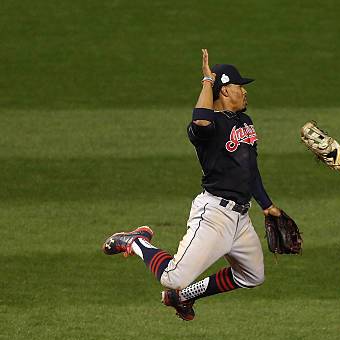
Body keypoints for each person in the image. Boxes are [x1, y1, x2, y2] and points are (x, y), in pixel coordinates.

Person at [102, 49, 283, 321]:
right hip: (214, 216)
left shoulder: (245, 121)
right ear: (224, 91)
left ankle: (184, 297)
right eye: (239, 86)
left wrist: (267, 205)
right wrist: (207, 81)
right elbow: (200, 118)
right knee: (173, 277)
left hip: (241, 218)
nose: (245, 92)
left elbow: (250, 168)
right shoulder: (206, 128)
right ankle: (137, 241)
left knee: (252, 276)